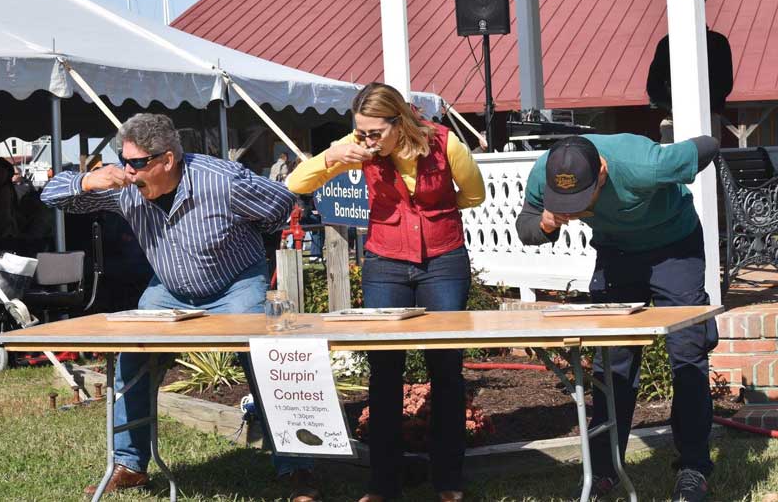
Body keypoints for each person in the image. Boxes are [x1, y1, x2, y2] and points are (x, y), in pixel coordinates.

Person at [41, 113, 321, 502]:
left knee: (269, 362)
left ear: (167, 160)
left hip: (236, 283)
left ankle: (297, 469)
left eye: (136, 163)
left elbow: (279, 203)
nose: (127, 171)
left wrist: (242, 236)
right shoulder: (122, 185)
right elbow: (50, 194)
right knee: (131, 360)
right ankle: (130, 464)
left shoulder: (221, 179)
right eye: (123, 161)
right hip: (169, 289)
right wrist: (90, 179)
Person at [287, 82, 485, 502]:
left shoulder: (445, 143)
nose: (366, 140)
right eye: (361, 132)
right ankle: (383, 484)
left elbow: (474, 194)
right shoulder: (354, 144)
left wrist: (433, 214)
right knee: (384, 372)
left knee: (445, 370)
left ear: (400, 122)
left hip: (443, 262)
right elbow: (297, 183)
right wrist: (333, 155)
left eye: (374, 133)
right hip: (385, 262)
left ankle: (449, 481)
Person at [515, 133, 720, 502]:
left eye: (580, 199)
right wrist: (545, 223)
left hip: (675, 247)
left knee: (688, 352)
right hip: (615, 254)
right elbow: (525, 226)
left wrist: (680, 169)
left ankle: (694, 467)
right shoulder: (544, 171)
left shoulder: (646, 163)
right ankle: (604, 471)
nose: (573, 210)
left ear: (604, 173)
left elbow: (708, 145)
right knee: (612, 362)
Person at [646, 9, 733, 142]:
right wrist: (674, 107)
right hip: (674, 119)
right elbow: (653, 86)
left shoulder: (717, 42)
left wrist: (699, 107)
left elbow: (724, 84)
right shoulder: (667, 44)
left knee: (691, 160)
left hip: (706, 117)